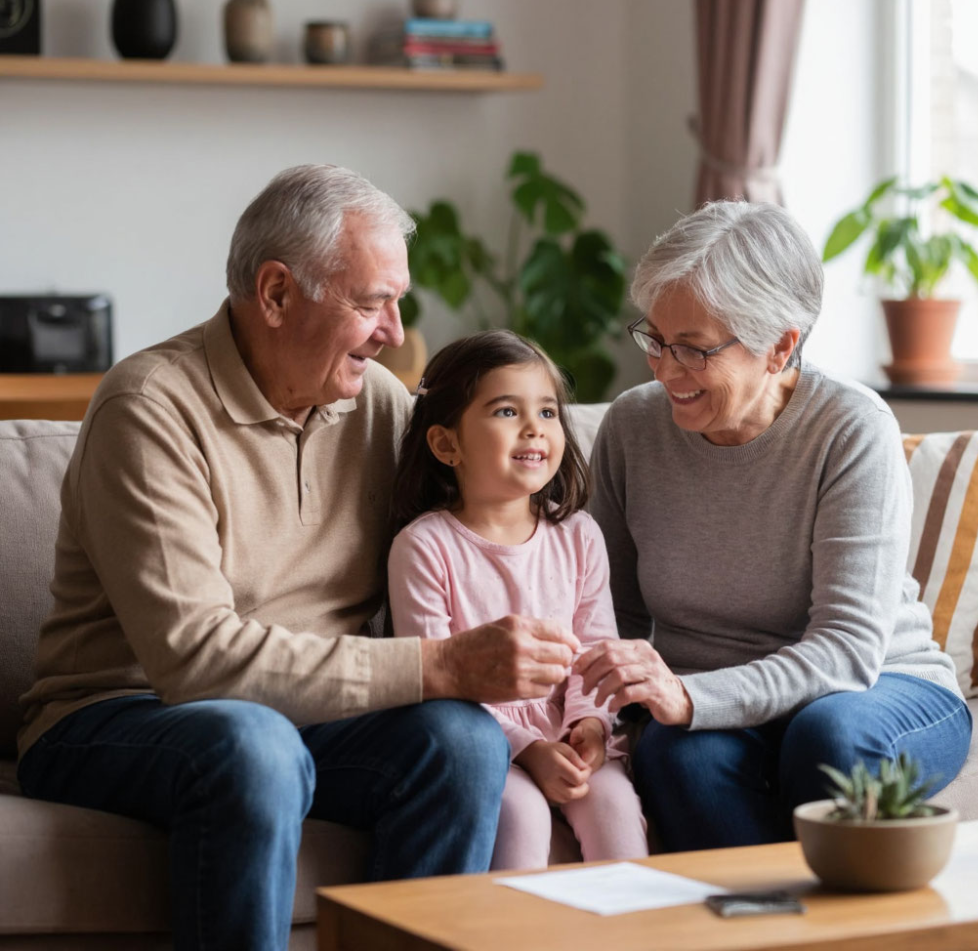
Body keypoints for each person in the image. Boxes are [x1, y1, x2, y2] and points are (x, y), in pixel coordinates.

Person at [16, 165, 580, 951]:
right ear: (278, 294)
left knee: (461, 742)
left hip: (311, 718)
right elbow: (195, 662)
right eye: (370, 302)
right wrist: (441, 664)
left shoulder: (378, 406)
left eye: (397, 302)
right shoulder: (150, 409)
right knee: (254, 745)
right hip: (121, 712)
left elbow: (477, 529)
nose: (394, 331)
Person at [573, 200, 971, 852]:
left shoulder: (851, 428)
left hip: (878, 687)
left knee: (829, 735)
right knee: (674, 755)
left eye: (693, 349)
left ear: (780, 347)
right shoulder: (631, 427)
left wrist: (690, 698)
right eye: (656, 340)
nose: (665, 369)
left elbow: (846, 649)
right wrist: (596, 715)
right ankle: (766, 908)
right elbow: (609, 615)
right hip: (711, 699)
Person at [388, 330, 648, 868]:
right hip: (485, 740)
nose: (535, 428)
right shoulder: (423, 547)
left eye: (548, 412)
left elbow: (596, 652)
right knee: (523, 814)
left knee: (615, 806)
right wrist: (528, 750)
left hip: (571, 728)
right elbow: (434, 679)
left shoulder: (580, 536)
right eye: (507, 411)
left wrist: (591, 727)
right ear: (447, 445)